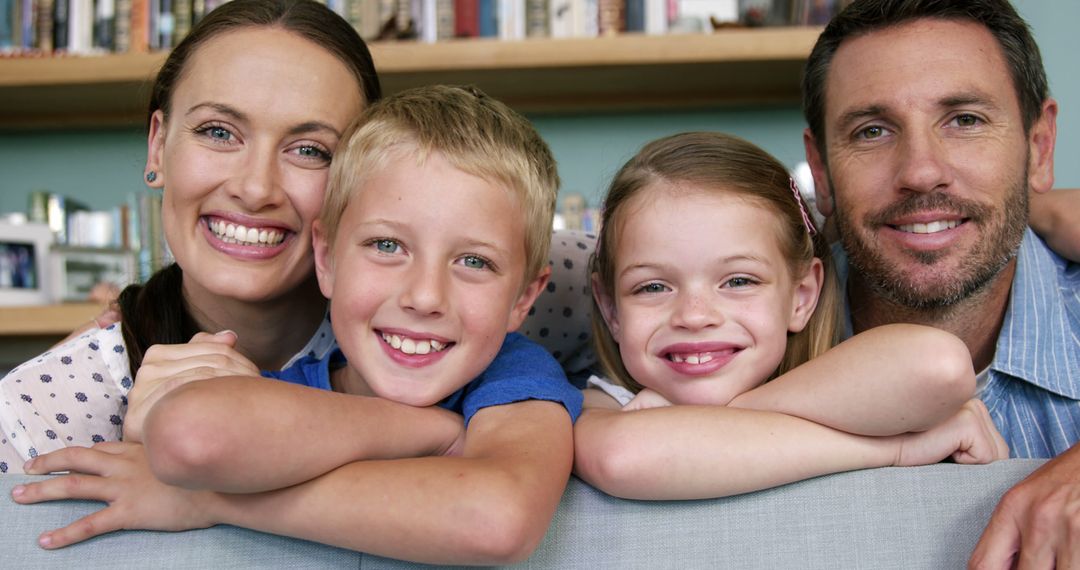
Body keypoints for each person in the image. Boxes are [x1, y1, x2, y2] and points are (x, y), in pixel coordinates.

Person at [14, 84, 583, 565]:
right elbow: (191, 436)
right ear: (328, 259)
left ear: (524, 297)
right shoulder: (287, 388)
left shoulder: (513, 375)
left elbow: (496, 521)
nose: (425, 296)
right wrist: (431, 431)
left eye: (474, 262)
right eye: (387, 245)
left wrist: (212, 503)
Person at [0, 0, 379, 472]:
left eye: (309, 149)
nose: (256, 188)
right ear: (158, 145)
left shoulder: (426, 363)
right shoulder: (34, 412)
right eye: (219, 132)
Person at [573, 131, 1007, 500]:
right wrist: (893, 451)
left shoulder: (837, 385)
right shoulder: (607, 403)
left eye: (739, 281)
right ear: (610, 308)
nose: (694, 315)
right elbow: (622, 457)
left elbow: (940, 368)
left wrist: (726, 415)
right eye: (652, 287)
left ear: (801, 296)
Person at [799, 0, 1079, 566]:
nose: (921, 172)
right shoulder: (736, 333)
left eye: (965, 120)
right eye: (872, 131)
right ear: (822, 172)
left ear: (1038, 147)